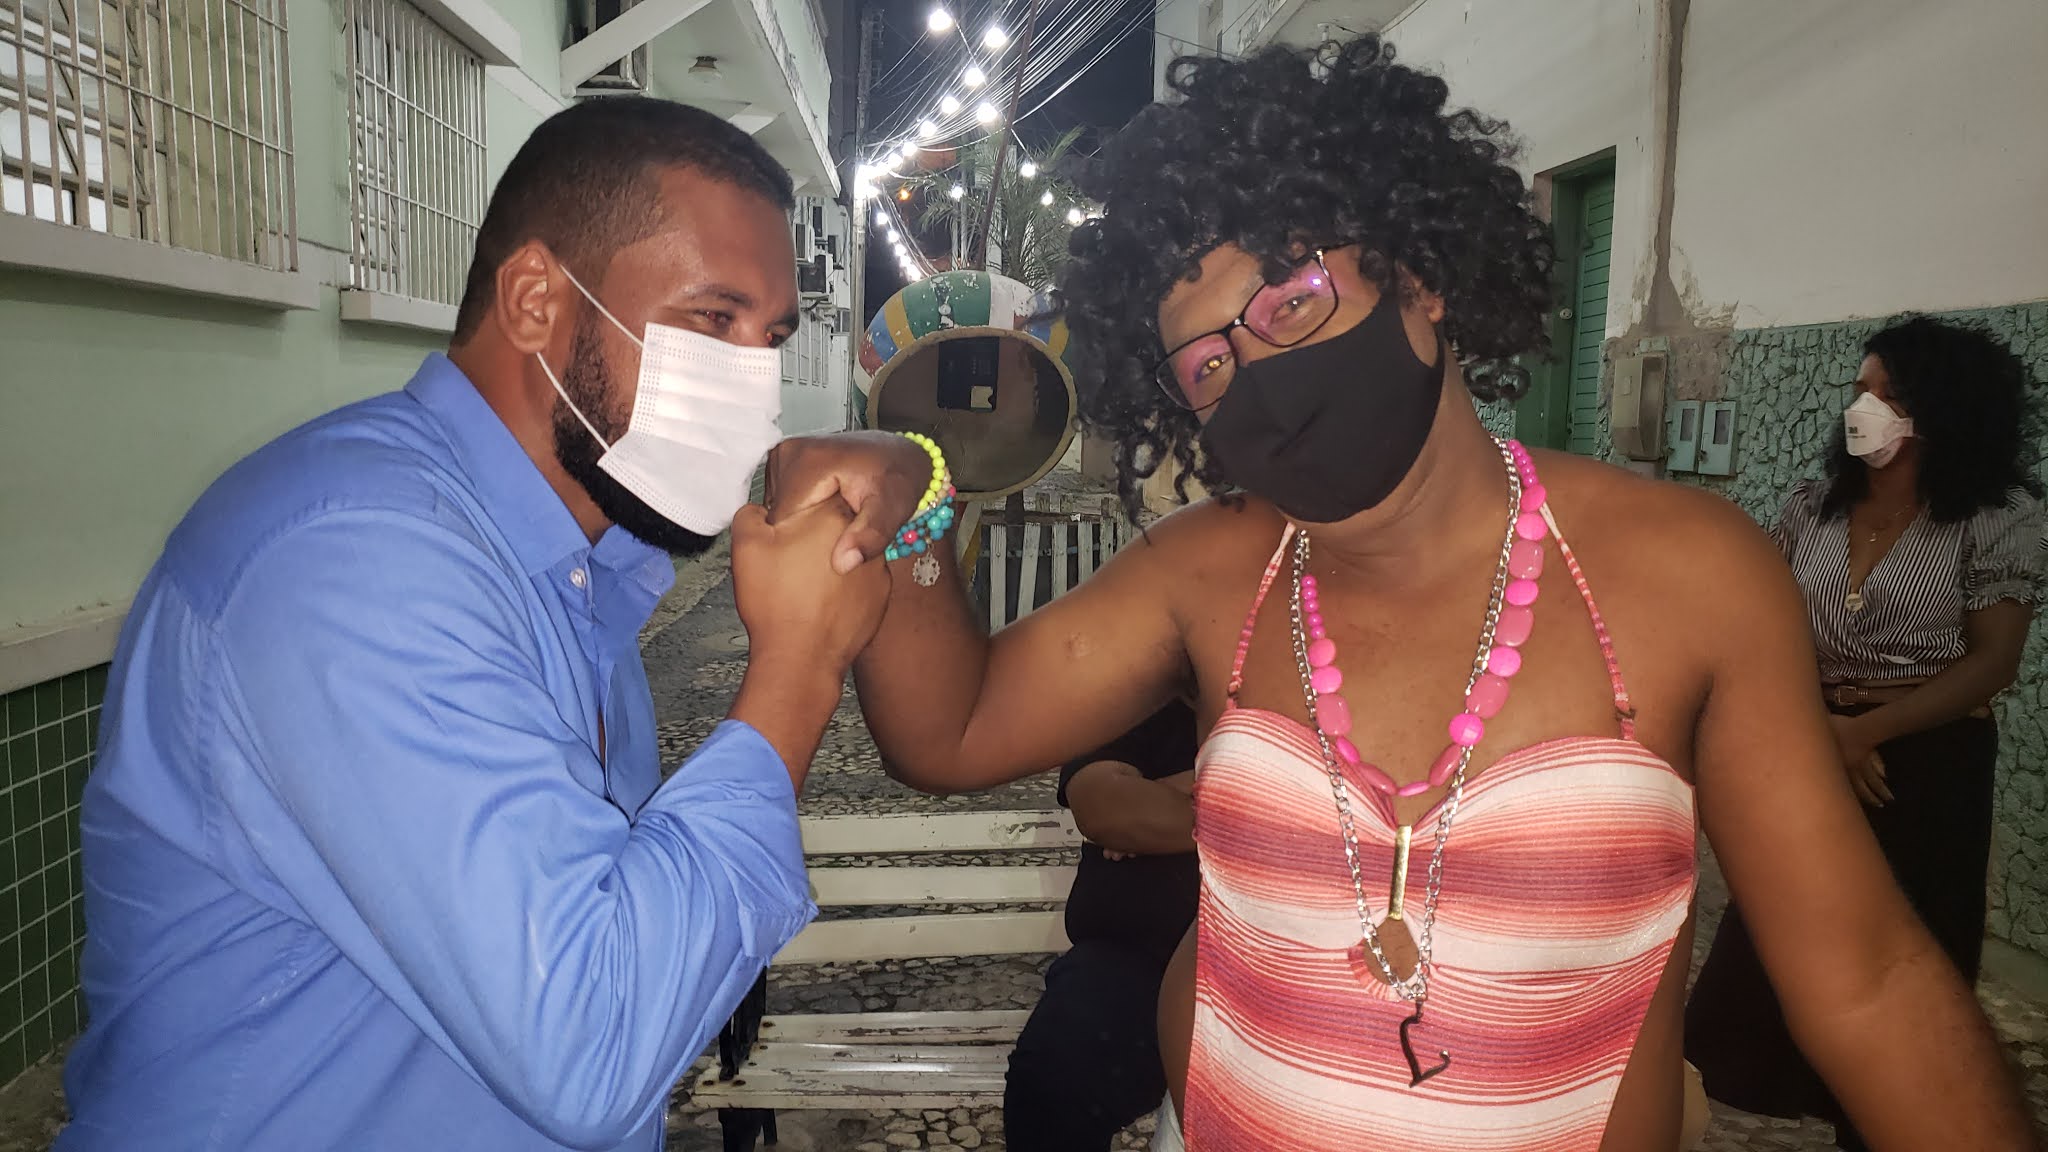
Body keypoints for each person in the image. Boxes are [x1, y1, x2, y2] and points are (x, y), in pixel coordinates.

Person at [769, 38, 2041, 1150]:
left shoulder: (1688, 572)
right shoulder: (1209, 570)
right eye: (1206, 365)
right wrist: (911, 491)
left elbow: (1866, 982)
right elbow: (949, 731)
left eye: (1290, 302)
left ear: (1417, 279)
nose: (1255, 374)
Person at [58, 98, 902, 1151]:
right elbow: (593, 1038)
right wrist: (800, 662)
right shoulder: (353, 560)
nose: (753, 388)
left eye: (769, 339)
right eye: (711, 321)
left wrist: (906, 462)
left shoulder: (570, 558)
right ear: (537, 301)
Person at [1686, 316, 2044, 1150]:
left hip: (1930, 753)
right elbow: (1761, 626)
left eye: (1889, 393)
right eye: (1860, 389)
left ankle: (1882, 1119)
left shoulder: (1998, 516)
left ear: (1943, 409)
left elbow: (1992, 663)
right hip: (1809, 734)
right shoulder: (1813, 506)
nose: (1864, 407)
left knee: (1913, 941)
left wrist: (1865, 732)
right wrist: (1820, 731)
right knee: (1774, 931)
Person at [1005, 700, 1201, 1151]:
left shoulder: (1318, 696)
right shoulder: (1141, 695)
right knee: (1052, 1082)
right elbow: (1108, 809)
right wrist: (1260, 799)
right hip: (1134, 960)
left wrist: (1174, 794)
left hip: (1285, 959)